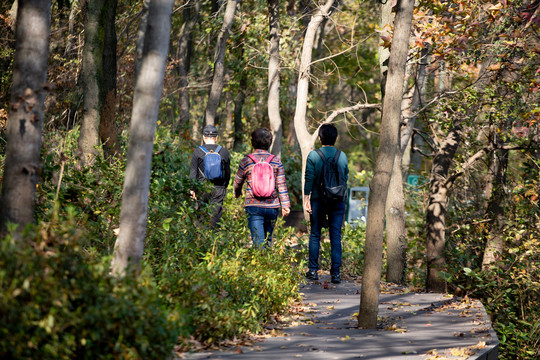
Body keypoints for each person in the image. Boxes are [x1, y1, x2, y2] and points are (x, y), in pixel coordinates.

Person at [304, 123, 349, 284]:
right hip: (337, 200)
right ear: (335, 138)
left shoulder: (313, 155)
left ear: (320, 137)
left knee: (315, 234)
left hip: (318, 199)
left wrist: (306, 199)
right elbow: (345, 176)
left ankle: (313, 271)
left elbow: (309, 178)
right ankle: (335, 274)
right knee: (335, 235)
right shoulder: (341, 155)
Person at [233, 128, 291, 247]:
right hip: (272, 206)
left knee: (258, 242)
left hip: (253, 206)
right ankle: (268, 264)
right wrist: (285, 205)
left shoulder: (247, 160)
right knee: (267, 241)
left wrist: (237, 193)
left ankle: (260, 264)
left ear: (253, 142)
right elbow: (281, 185)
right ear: (269, 143)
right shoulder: (276, 161)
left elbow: (238, 181)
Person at [189, 125, 231, 229]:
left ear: (203, 137)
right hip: (218, 188)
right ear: (216, 137)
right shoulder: (223, 152)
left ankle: (201, 239)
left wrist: (192, 189)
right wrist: (225, 186)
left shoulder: (197, 151)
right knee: (216, 217)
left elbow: (193, 172)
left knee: (202, 215)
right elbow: (227, 172)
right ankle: (213, 240)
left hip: (202, 187)